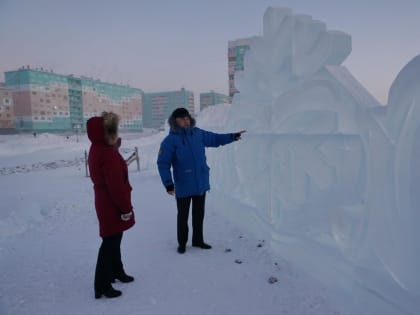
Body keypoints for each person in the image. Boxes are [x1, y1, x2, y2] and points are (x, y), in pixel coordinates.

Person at [157, 107, 245, 254]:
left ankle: (198, 240)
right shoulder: (170, 141)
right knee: (183, 217)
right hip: (183, 184)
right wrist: (168, 184)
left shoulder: (197, 133)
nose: (185, 121)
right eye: (181, 119)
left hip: (200, 182)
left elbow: (215, 139)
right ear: (175, 122)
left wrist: (233, 136)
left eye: (186, 118)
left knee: (199, 214)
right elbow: (163, 163)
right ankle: (182, 243)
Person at [87, 112, 135, 299]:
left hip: (104, 200)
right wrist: (125, 209)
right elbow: (116, 186)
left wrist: (114, 147)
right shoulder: (108, 153)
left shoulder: (97, 148)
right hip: (112, 203)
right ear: (107, 132)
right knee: (109, 242)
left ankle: (117, 271)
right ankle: (102, 284)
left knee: (114, 239)